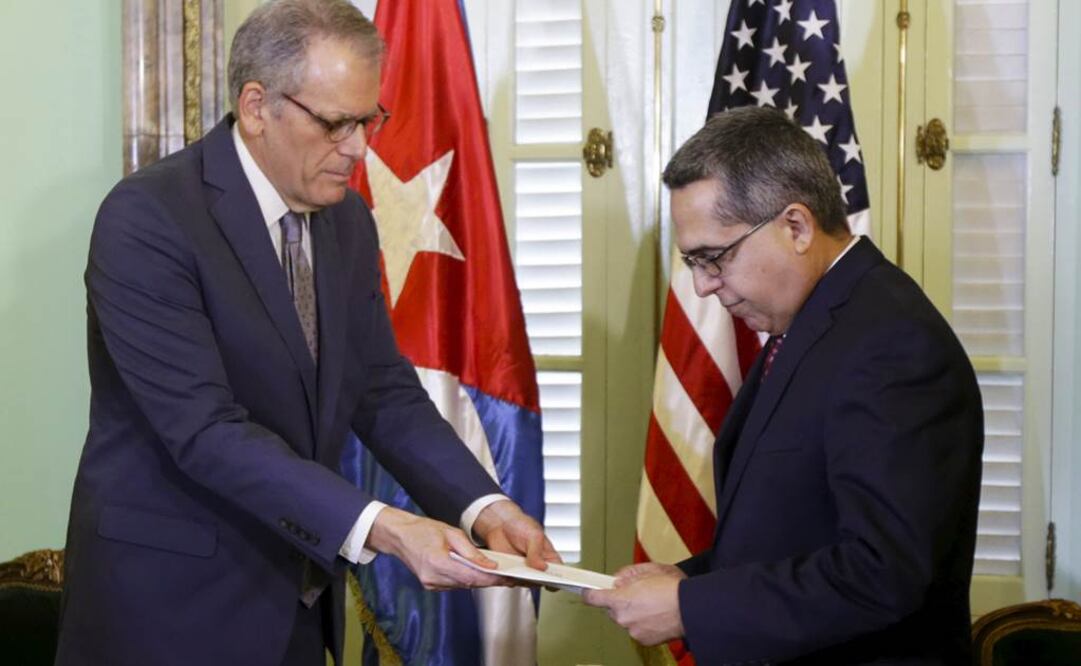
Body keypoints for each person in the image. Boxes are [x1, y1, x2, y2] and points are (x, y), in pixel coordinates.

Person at [55, 1, 558, 664]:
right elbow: (205, 430)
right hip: (168, 610)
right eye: (335, 123)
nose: (358, 148)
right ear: (258, 106)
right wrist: (383, 527)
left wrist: (481, 505)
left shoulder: (346, 219)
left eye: (368, 120)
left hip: (297, 602)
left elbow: (381, 390)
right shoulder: (149, 219)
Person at [584, 106, 984, 664]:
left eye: (713, 258)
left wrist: (689, 609)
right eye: (692, 263)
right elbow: (793, 530)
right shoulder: (817, 318)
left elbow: (881, 572)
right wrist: (688, 580)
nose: (702, 286)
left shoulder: (889, 343)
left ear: (795, 226)